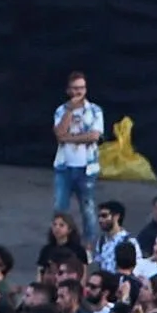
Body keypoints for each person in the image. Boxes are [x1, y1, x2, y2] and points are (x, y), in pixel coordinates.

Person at [51, 76, 107, 227]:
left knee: (88, 210)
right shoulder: (61, 110)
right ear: (68, 90)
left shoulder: (95, 110)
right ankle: (60, 242)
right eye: (75, 88)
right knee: (60, 209)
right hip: (64, 168)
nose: (78, 91)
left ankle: (88, 245)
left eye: (81, 88)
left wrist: (68, 138)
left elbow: (94, 136)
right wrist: (70, 110)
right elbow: (59, 133)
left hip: (87, 169)